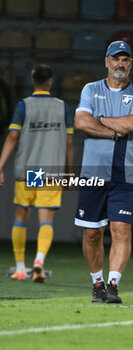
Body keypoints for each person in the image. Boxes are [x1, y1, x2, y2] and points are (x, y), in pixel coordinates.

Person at [74, 40, 133, 303]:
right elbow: (81, 121)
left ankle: (113, 285)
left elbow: (132, 124)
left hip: (124, 176)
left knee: (121, 229)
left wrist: (102, 119)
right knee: (92, 232)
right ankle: (97, 285)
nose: (120, 64)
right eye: (115, 59)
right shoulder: (90, 89)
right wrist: (113, 131)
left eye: (125, 59)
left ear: (131, 63)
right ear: (106, 61)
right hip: (92, 175)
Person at [0, 65, 73, 282]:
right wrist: (69, 172)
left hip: (28, 169)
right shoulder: (62, 107)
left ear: (33, 81)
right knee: (46, 220)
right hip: (51, 169)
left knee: (21, 217)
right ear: (51, 82)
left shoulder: (24, 105)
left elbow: (12, 137)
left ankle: (21, 268)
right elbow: (69, 142)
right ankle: (39, 261)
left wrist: (0, 166)